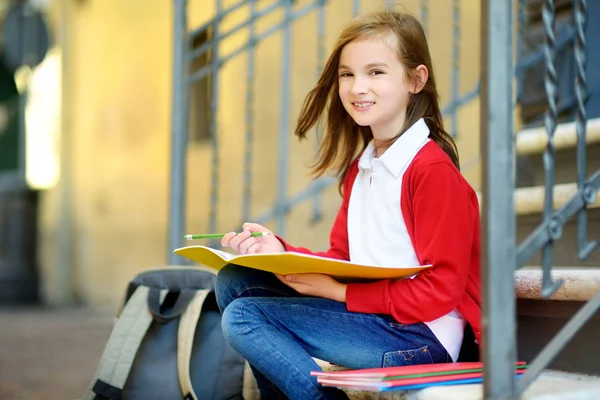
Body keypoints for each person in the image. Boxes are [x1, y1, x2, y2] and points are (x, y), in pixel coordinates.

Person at [215, 9, 482, 400]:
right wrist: (279, 252)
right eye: (347, 74)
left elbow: (441, 289)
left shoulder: (431, 170)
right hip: (375, 320)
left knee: (245, 317)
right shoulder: (364, 167)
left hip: (423, 340)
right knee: (235, 282)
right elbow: (343, 257)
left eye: (376, 72)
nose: (358, 87)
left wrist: (339, 294)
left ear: (416, 79)